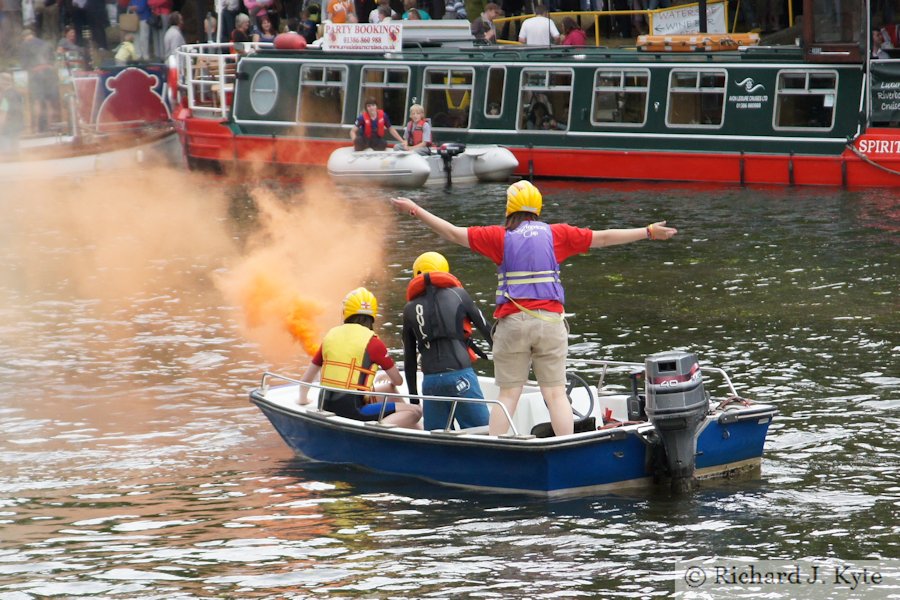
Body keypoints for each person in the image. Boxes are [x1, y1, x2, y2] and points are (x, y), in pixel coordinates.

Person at [391, 182, 677, 437]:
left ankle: (495, 450)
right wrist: (648, 232)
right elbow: (603, 237)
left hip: (512, 325)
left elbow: (452, 233)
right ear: (538, 208)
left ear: (509, 208)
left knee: (508, 395)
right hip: (550, 325)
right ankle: (565, 448)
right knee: (555, 394)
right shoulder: (557, 235)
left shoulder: (498, 237)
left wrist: (415, 208)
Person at [298, 287, 423, 428]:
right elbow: (398, 381)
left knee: (388, 388)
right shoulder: (374, 342)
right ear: (373, 315)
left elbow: (305, 381)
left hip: (326, 405)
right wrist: (391, 378)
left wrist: (303, 400)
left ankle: (402, 430)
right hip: (355, 411)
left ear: (346, 312)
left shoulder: (330, 337)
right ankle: (379, 430)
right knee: (415, 411)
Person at [402, 252, 493, 431]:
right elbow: (488, 331)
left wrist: (414, 398)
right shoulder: (459, 295)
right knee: (483, 432)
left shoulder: (409, 309)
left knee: (437, 438)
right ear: (445, 271)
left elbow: (409, 359)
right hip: (460, 376)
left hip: (430, 383)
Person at [19, 28, 59, 133]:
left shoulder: (24, 45)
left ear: (24, 37)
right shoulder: (45, 43)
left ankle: (35, 128)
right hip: (49, 74)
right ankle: (50, 127)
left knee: (37, 101)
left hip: (36, 74)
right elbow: (53, 61)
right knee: (48, 102)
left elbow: (24, 65)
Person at [0, 72, 24, 154]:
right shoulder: (17, 94)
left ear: (2, 82)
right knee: (16, 150)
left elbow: (3, 113)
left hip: (7, 128)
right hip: (18, 125)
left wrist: (1, 127)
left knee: (5, 152)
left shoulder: (5, 96)